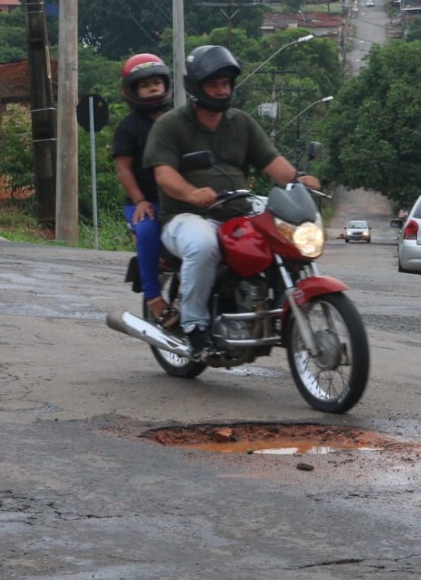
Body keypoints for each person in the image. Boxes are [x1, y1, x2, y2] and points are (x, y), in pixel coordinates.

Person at [143, 44, 320, 360]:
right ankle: (195, 327)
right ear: (197, 86)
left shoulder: (241, 122)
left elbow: (271, 161)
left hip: (237, 210)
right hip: (185, 216)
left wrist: (298, 179)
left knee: (285, 233)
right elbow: (164, 174)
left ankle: (274, 307)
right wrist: (191, 193)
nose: (222, 90)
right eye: (214, 84)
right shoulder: (170, 125)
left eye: (226, 83)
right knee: (204, 245)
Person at [112, 53, 174, 326]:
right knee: (148, 230)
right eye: (145, 84)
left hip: (177, 200)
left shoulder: (176, 120)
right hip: (144, 203)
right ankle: (153, 296)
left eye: (157, 82)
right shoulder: (129, 127)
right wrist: (139, 201)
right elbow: (124, 169)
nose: (153, 88)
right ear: (133, 90)